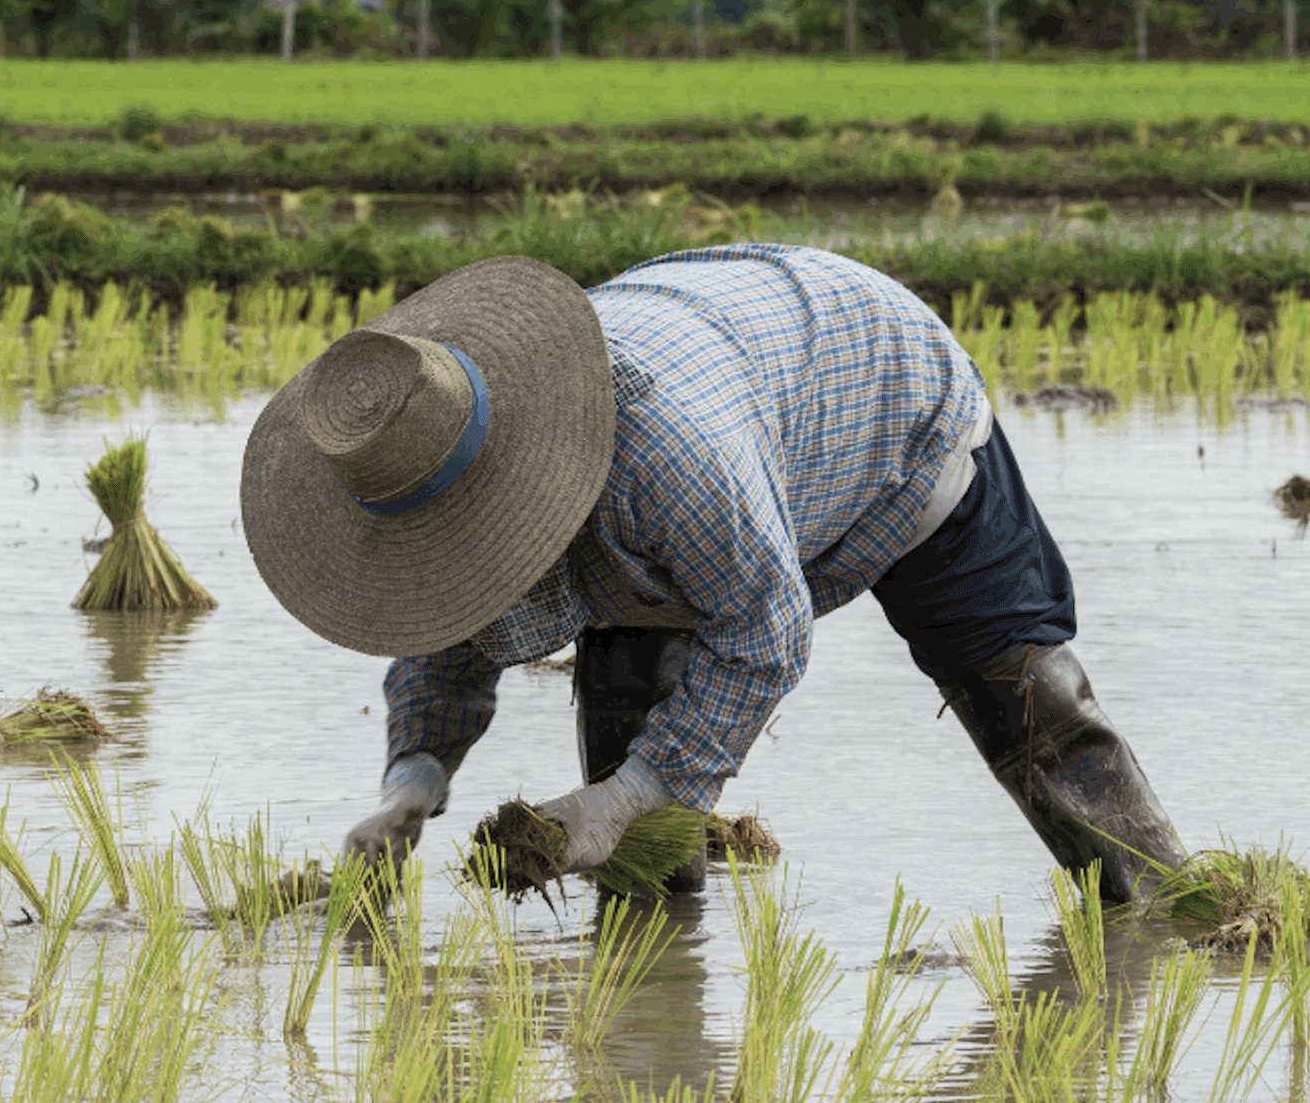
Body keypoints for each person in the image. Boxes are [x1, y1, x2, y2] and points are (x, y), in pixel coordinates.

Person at [240, 243, 1186, 905]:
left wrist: (623, 799)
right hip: (713, 398)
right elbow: (444, 625)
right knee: (630, 773)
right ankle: (654, 1005)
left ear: (520, 483)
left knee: (1016, 686)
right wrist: (412, 781)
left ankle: (1171, 909)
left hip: (877, 396)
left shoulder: (666, 458)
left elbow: (765, 634)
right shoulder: (428, 457)